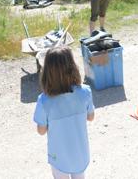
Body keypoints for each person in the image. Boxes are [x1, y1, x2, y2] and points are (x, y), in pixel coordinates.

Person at [33, 46, 95, 178]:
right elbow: (91, 117)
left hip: (58, 155)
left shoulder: (44, 101)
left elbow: (41, 131)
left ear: (47, 72)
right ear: (73, 67)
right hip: (80, 152)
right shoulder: (85, 92)